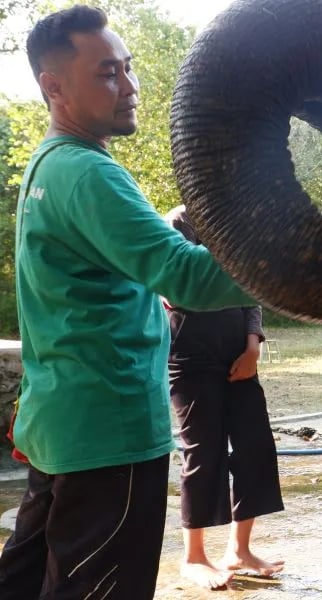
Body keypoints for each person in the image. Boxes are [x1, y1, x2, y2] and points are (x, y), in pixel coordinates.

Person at [0, 6, 259, 599]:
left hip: (64, 425)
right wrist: (311, 260)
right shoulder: (88, 173)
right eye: (108, 73)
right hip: (107, 432)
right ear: (54, 86)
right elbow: (187, 275)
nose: (131, 87)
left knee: (24, 582)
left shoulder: (48, 165)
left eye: (128, 68)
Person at [164, 205, 284, 590]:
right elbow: (179, 286)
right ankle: (194, 557)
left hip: (240, 355)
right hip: (191, 353)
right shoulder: (178, 223)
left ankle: (239, 550)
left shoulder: (237, 221)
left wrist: (253, 347)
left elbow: (250, 294)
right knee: (203, 451)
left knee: (256, 447)